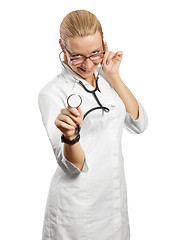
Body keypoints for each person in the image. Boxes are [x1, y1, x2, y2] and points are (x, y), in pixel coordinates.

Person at [38, 9, 148, 240]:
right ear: (62, 46)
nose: (88, 64)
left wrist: (114, 76)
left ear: (104, 44)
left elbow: (139, 124)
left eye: (95, 53)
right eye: (76, 56)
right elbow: (72, 166)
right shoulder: (52, 93)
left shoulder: (107, 79)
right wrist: (70, 136)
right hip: (76, 206)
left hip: (114, 201)